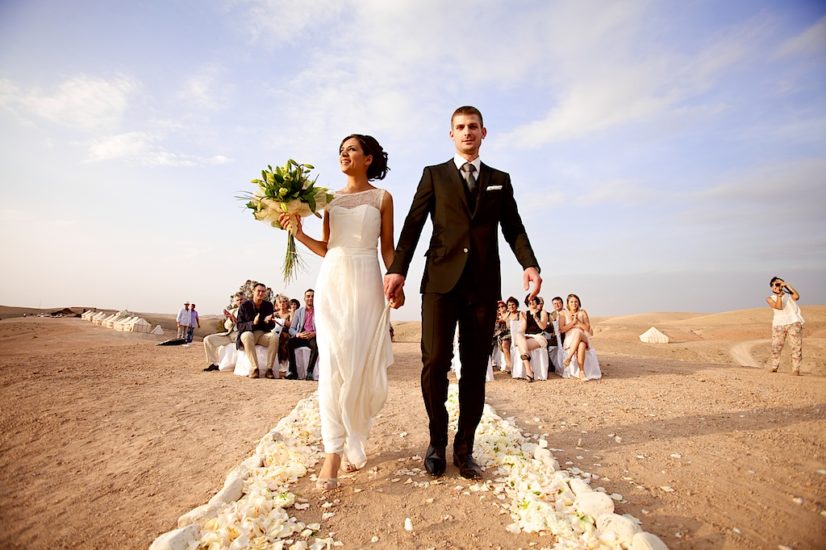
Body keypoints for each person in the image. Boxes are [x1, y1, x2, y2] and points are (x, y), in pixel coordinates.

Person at [384, 105, 541, 480]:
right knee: (434, 362)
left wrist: (530, 264)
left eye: (473, 127)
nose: (467, 132)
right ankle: (436, 440)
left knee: (474, 369)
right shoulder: (434, 175)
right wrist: (397, 270)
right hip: (439, 283)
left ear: (484, 133)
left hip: (483, 286)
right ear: (451, 134)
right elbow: (413, 225)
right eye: (460, 127)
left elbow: (514, 227)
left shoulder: (500, 179)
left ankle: (465, 446)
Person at [281, 133, 398, 491]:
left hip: (366, 282)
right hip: (333, 279)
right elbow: (327, 247)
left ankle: (355, 438)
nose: (344, 155)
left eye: (352, 150)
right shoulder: (328, 200)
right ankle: (332, 451)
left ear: (368, 158)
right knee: (332, 363)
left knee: (359, 365)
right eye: (341, 151)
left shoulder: (383, 198)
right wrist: (299, 234)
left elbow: (388, 250)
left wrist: (396, 280)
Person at [236, 282, 278, 379]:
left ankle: (269, 369)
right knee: (247, 335)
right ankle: (255, 369)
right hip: (249, 335)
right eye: (258, 291)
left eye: (263, 291)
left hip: (263, 334)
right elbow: (239, 325)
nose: (261, 293)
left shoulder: (268, 305)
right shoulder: (244, 306)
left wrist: (268, 322)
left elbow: (272, 326)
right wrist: (253, 323)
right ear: (253, 291)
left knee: (274, 337)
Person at [766, 277, 804, 375]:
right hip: (779, 324)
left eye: (780, 284)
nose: (778, 286)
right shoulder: (770, 298)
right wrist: (779, 295)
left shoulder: (789, 295)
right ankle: (774, 366)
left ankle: (796, 369)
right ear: (772, 287)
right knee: (776, 346)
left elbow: (797, 297)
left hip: (794, 322)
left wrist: (787, 286)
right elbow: (778, 307)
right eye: (776, 284)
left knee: (796, 346)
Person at [203, 292, 245, 371]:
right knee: (208, 339)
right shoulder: (233, 311)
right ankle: (214, 363)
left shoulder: (250, 311)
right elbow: (226, 326)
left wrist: (236, 321)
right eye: (238, 300)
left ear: (245, 300)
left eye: (242, 299)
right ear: (235, 302)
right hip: (229, 335)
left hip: (240, 336)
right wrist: (230, 319)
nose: (240, 301)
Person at [513, 294, 549, 382]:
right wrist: (524, 320)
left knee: (522, 346)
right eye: (529, 301)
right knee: (519, 336)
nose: (531, 302)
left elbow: (543, 327)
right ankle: (529, 371)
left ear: (536, 301)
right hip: (528, 336)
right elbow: (523, 329)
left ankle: (528, 370)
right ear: (527, 302)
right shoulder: (525, 313)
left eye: (533, 300)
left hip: (539, 337)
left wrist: (536, 318)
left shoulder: (542, 312)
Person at [286, 289, 319, 380]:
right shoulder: (298, 312)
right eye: (308, 296)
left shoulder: (320, 311)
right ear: (304, 298)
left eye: (312, 296)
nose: (310, 298)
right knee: (289, 343)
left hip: (313, 336)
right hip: (301, 335)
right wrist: (298, 334)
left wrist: (314, 334)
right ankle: (293, 372)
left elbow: (324, 327)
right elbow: (291, 329)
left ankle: (310, 372)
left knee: (316, 346)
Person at [559, 293, 592, 380]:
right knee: (581, 345)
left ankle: (568, 358)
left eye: (576, 302)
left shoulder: (582, 312)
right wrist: (573, 323)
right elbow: (562, 329)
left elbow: (587, 328)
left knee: (578, 333)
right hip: (570, 339)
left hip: (583, 336)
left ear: (579, 302)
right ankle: (582, 372)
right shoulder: (563, 313)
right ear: (568, 303)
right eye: (572, 302)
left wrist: (578, 322)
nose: (574, 304)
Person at [273, 294, 293, 377]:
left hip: (287, 333)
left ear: (287, 303)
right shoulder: (274, 314)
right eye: (280, 302)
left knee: (283, 337)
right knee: (276, 337)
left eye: (284, 302)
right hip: (276, 333)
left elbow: (292, 325)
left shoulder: (290, 313)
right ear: (277, 304)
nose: (282, 304)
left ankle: (283, 365)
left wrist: (283, 321)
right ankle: (278, 365)